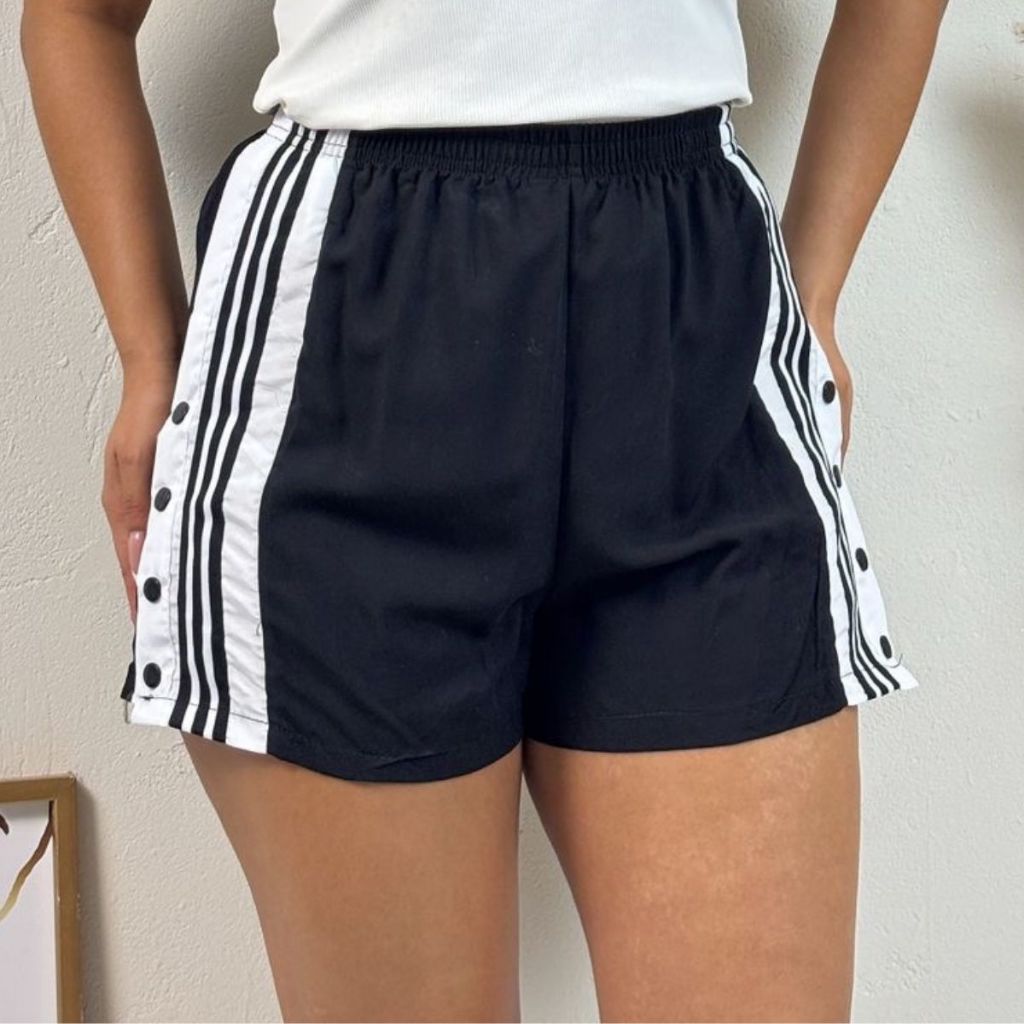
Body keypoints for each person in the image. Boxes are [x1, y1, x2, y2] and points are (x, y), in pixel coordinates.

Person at [22, 1, 944, 1020]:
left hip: (697, 339)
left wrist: (815, 296)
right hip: (348, 338)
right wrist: (150, 360)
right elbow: (77, 16)